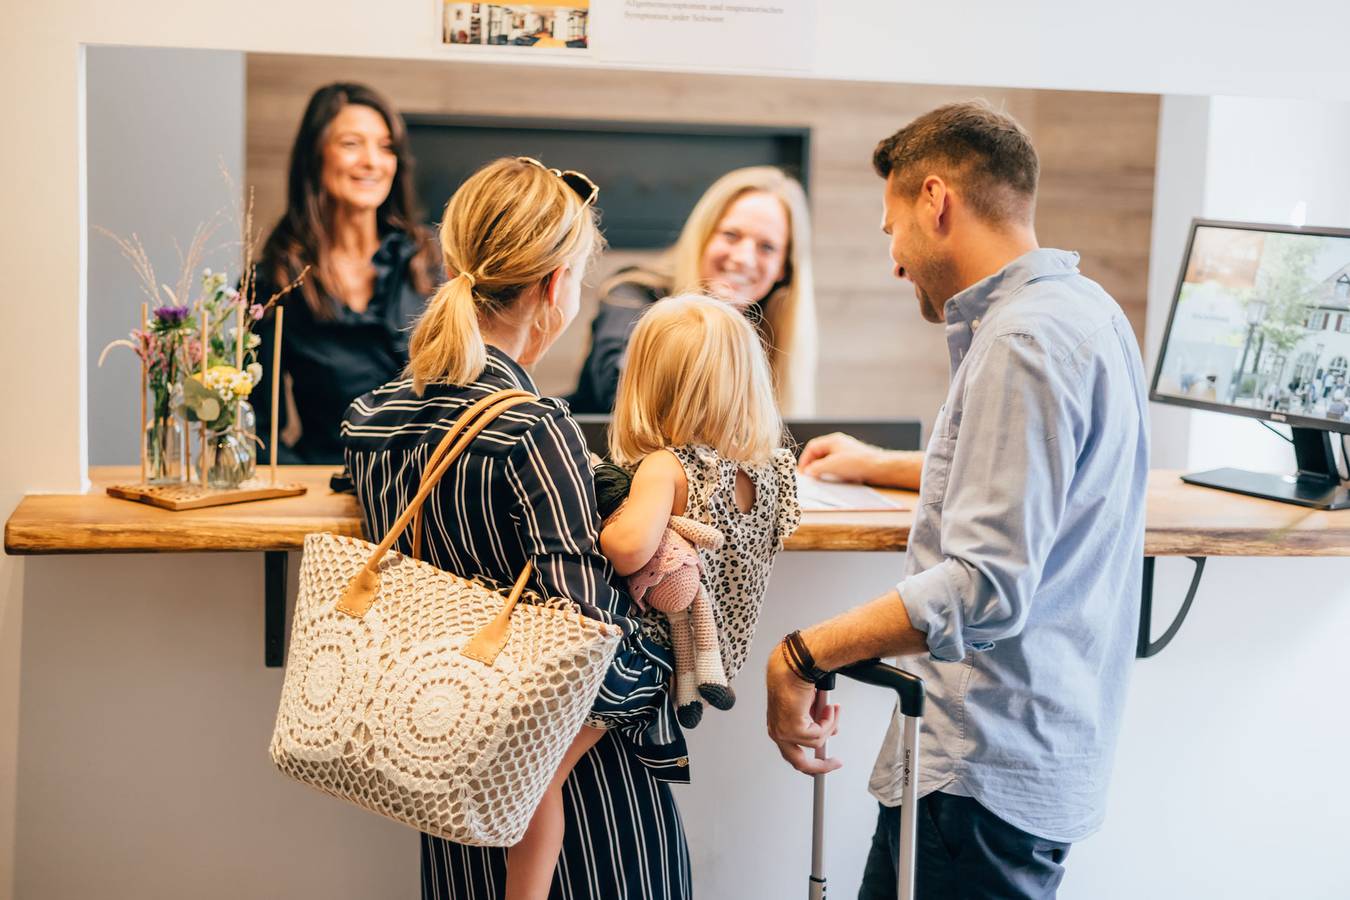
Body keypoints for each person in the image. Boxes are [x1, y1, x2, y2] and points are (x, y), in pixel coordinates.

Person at [766, 101, 1150, 899]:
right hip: (1030, 763)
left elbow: (982, 587)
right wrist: (882, 464)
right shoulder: (1086, 313)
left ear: (935, 200)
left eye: (892, 229)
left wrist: (803, 652)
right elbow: (1039, 480)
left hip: (979, 778)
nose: (894, 260)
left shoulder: (1021, 342)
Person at [342, 157, 690, 900]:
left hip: (447, 784)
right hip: (579, 811)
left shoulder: (370, 421)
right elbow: (589, 659)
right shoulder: (533, 428)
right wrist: (673, 652)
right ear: (556, 285)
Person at [510, 294, 801, 897]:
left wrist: (607, 516)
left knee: (537, 778)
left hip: (645, 657)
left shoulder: (667, 466)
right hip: (708, 657)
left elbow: (625, 550)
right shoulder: (774, 470)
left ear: (648, 388)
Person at [253, 82, 439, 464]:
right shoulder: (275, 280)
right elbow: (258, 432)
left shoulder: (429, 262)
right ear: (315, 156)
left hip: (426, 486)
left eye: (386, 147)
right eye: (352, 144)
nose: (373, 161)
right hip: (326, 482)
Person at [568, 166, 817, 416]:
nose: (744, 258)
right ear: (702, 236)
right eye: (731, 235)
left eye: (767, 247)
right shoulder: (632, 294)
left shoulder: (773, 331)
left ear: (784, 267)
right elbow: (623, 392)